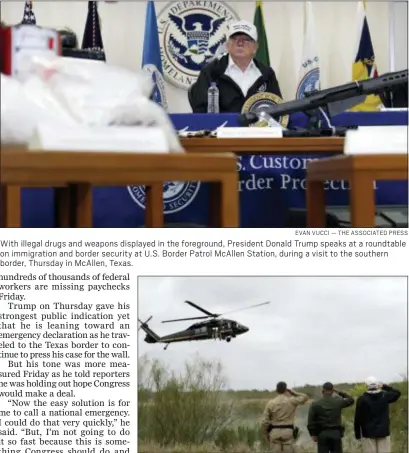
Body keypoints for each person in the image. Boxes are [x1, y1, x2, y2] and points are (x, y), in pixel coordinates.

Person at [188, 20, 282, 113]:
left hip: (258, 127)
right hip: (221, 127)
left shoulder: (266, 74)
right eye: (235, 39)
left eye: (246, 39)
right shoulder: (211, 72)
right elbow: (200, 110)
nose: (240, 43)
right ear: (228, 45)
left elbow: (277, 107)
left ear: (255, 47)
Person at [354, 376, 401, 453]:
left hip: (368, 432)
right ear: (377, 385)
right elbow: (397, 393)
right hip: (383, 431)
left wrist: (358, 434)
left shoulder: (362, 399)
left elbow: (358, 418)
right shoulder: (384, 396)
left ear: (366, 386)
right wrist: (384, 387)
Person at [261, 381, 309, 453]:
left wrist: (266, 434)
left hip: (274, 432)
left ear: (276, 390)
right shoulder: (292, 401)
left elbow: (265, 422)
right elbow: (305, 397)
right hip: (288, 432)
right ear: (286, 390)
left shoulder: (271, 403)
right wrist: (293, 392)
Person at [307, 382, 354, 453]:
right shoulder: (338, 402)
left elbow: (311, 421)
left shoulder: (315, 404)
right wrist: (339, 392)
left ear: (323, 391)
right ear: (332, 391)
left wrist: (313, 434)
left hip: (322, 434)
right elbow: (351, 400)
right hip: (336, 433)